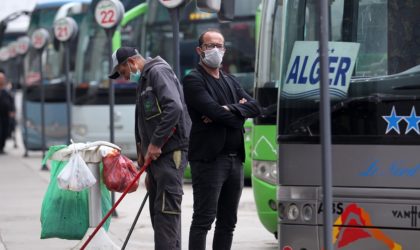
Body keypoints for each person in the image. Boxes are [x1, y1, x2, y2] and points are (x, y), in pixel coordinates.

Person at [183, 30, 261, 250]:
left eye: (220, 46)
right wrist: (238, 113)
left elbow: (255, 107)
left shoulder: (230, 80)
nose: (216, 50)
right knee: (203, 219)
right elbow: (213, 112)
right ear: (200, 50)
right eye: (210, 46)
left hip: (235, 159)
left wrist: (228, 109)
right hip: (209, 160)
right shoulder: (193, 79)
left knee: (228, 223)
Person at [108, 47, 191, 250]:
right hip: (157, 161)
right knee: (161, 215)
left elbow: (174, 108)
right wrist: (148, 167)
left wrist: (155, 144)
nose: (125, 77)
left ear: (131, 63)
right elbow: (147, 123)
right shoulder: (145, 79)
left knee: (166, 213)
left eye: (124, 72)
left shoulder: (157, 72)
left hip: (170, 153)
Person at [0, 72, 15, 154]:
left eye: (2, 79)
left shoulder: (7, 90)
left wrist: (12, 110)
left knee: (5, 130)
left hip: (5, 114)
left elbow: (11, 101)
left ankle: (2, 147)